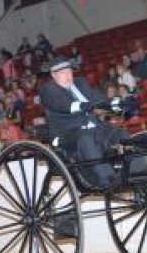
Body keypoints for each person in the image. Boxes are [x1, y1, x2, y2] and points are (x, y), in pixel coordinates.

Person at [39, 58, 128, 188]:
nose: (68, 76)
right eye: (63, 73)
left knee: (119, 133)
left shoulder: (81, 83)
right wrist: (84, 106)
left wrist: (114, 105)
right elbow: (64, 105)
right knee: (85, 139)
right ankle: (108, 179)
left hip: (93, 129)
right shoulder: (49, 90)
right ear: (53, 75)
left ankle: (134, 171)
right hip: (66, 134)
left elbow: (98, 99)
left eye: (69, 72)